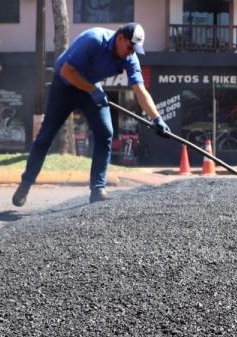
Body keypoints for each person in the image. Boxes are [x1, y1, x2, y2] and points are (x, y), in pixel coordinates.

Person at [12, 22, 171, 206]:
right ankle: (26, 182)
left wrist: (157, 118)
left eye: (135, 49)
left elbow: (140, 90)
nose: (131, 52)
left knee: (105, 133)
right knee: (45, 136)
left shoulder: (130, 57)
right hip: (65, 86)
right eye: (129, 47)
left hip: (90, 88)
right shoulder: (94, 39)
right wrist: (93, 90)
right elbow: (67, 71)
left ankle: (97, 189)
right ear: (120, 38)